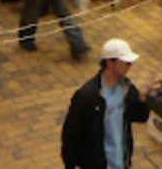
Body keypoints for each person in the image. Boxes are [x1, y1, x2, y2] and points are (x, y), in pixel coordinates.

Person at [61, 38, 155, 169]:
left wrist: (143, 97)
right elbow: (71, 134)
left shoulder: (126, 88)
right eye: (126, 62)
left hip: (121, 161)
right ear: (110, 62)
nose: (130, 65)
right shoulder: (87, 95)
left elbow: (140, 117)